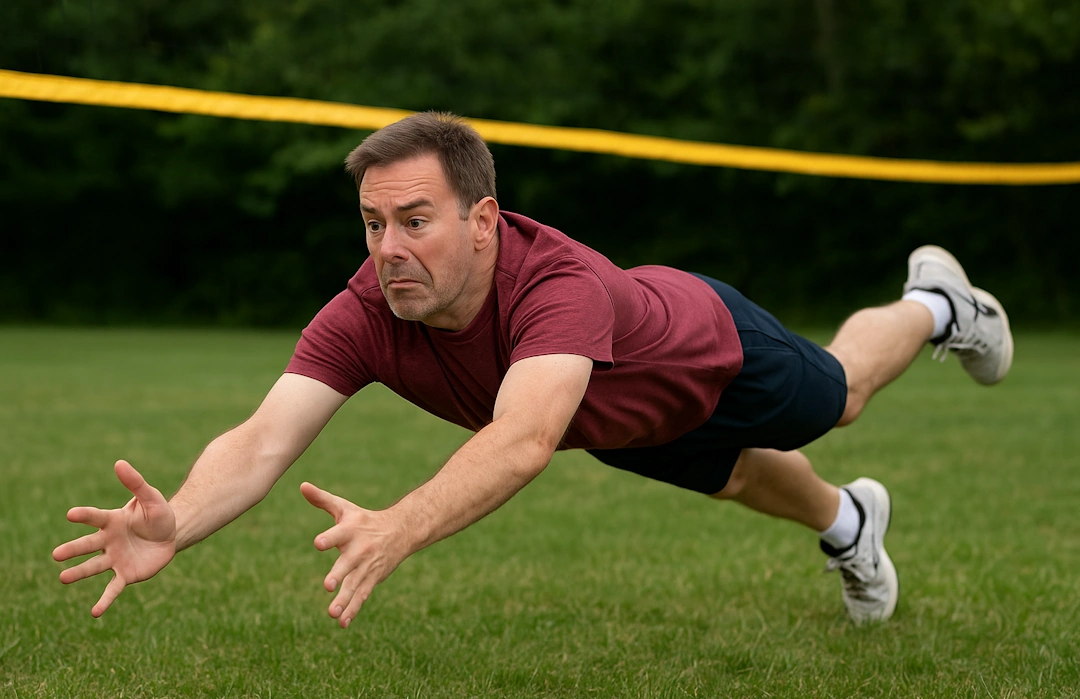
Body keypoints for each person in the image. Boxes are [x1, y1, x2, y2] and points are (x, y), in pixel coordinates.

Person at [53, 112, 1013, 628]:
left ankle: (938, 304)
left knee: (838, 398)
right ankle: (852, 523)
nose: (388, 247)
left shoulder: (555, 287)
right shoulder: (367, 311)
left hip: (710, 348)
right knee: (736, 478)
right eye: (374, 223)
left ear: (482, 222)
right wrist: (179, 518)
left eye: (414, 220)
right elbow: (265, 438)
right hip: (628, 421)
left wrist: (400, 526)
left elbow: (521, 443)